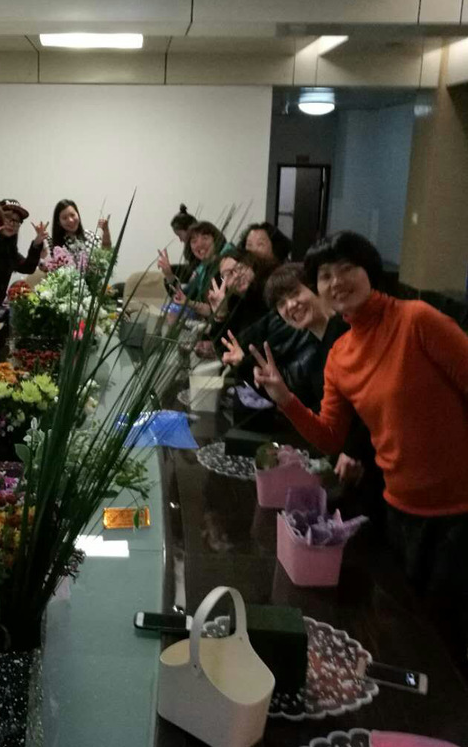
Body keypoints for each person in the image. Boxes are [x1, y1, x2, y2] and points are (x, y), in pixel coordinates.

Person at [250, 232, 468, 646]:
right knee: (411, 634)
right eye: (325, 275)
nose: (337, 281)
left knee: (450, 641)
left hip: (457, 513)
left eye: (347, 268)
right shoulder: (341, 354)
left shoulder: (417, 320)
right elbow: (331, 437)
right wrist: (285, 398)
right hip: (397, 510)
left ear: (370, 270)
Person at [221, 262, 367, 487]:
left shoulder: (346, 333)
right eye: (281, 303)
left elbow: (372, 404)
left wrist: (353, 449)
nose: (290, 305)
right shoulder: (315, 340)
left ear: (316, 288)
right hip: (336, 453)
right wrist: (274, 390)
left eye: (295, 293)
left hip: (366, 461)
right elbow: (307, 403)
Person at [0, 199, 48, 318]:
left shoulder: (9, 251)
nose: (12, 223)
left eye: (16, 221)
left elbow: (28, 267)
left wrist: (37, 244)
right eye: (7, 217)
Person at [159, 220, 226, 315]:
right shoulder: (202, 270)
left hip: (222, 319)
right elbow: (182, 297)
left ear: (216, 239)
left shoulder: (226, 265)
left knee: (173, 314)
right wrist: (169, 275)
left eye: (205, 238)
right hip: (207, 316)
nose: (199, 244)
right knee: (170, 311)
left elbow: (215, 310)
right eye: (194, 241)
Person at [48, 199, 112, 254]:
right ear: (59, 222)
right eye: (65, 218)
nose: (70, 220)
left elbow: (106, 254)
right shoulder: (55, 247)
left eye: (72, 215)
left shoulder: (89, 236)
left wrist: (106, 231)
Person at [169, 203, 197, 282]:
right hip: (194, 271)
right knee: (170, 270)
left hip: (201, 274)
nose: (180, 240)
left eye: (179, 235)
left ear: (189, 229)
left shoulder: (199, 245)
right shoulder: (189, 244)